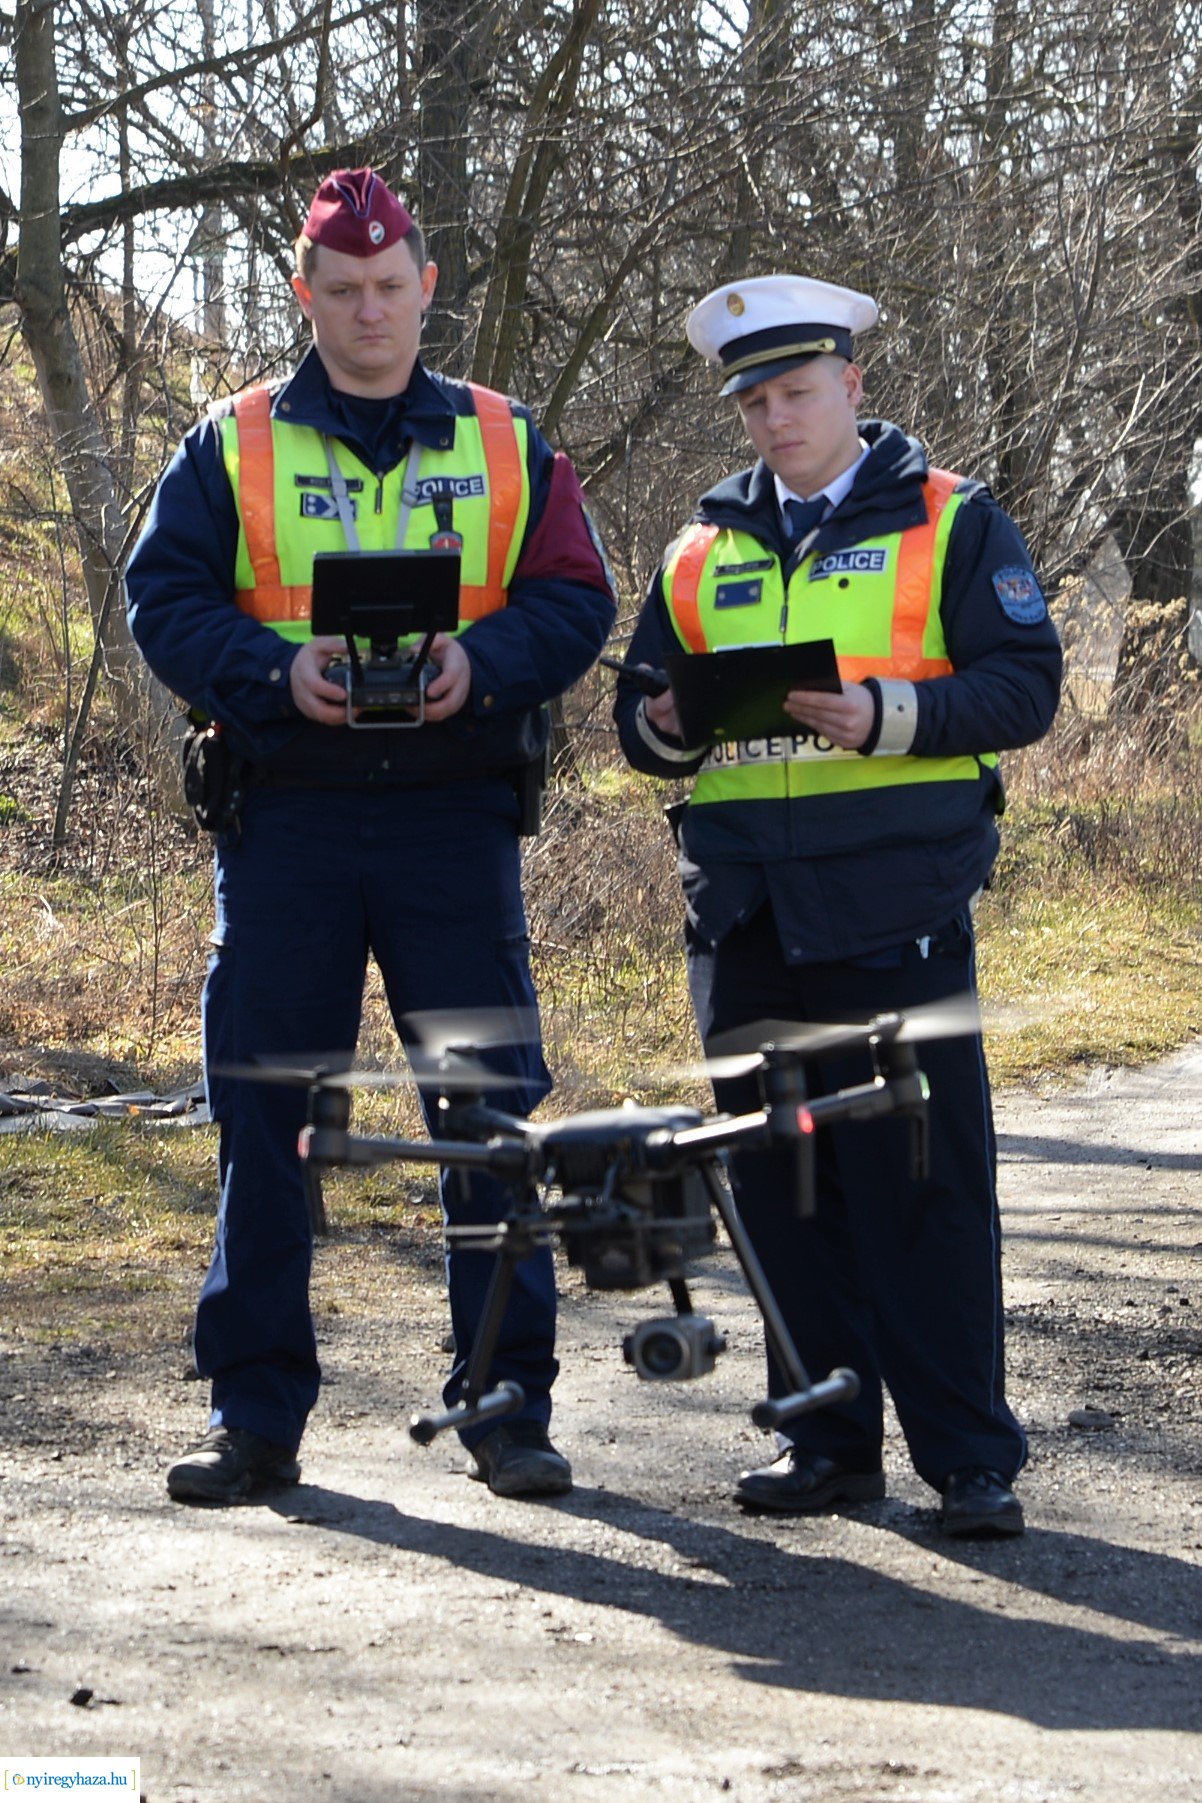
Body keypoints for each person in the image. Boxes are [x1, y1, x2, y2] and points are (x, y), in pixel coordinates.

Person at [127, 168, 615, 1505]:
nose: (368, 313)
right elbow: (159, 599)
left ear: (425, 289)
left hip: (453, 820)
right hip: (287, 817)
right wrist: (272, 674)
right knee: (267, 1113)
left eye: (389, 288)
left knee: (485, 1108)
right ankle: (255, 1415)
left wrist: (489, 662)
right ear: (305, 296)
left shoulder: (509, 438)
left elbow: (578, 596)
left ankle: (506, 1401)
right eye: (340, 291)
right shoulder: (227, 443)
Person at [614, 274, 1061, 1537]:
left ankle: (967, 1461)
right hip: (745, 914)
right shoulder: (696, 551)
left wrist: (886, 714)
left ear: (851, 387)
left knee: (920, 1191)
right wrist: (655, 723)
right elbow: (640, 716)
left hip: (894, 900)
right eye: (752, 400)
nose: (773, 418)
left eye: (795, 391)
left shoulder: (951, 522)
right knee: (779, 1194)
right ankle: (822, 1443)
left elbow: (1023, 689)